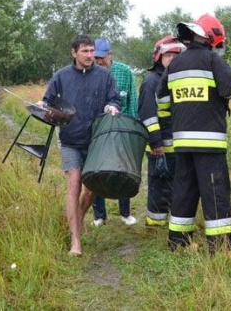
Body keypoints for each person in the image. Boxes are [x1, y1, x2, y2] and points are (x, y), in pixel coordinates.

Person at [157, 14, 231, 253]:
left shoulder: (175, 64)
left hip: (182, 142)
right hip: (210, 142)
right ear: (212, 38)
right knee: (215, 191)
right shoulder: (211, 60)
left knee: (184, 189)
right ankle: (222, 246)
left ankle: (179, 242)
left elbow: (162, 100)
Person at [40, 34, 121, 257]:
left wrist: (112, 107)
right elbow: (47, 101)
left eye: (91, 50)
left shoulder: (104, 76)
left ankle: (80, 217)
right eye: (84, 51)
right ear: (74, 52)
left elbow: (114, 99)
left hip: (96, 140)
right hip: (70, 140)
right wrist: (42, 105)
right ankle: (75, 242)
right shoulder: (61, 76)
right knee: (74, 184)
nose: (89, 55)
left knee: (93, 187)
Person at [91, 38, 139, 226]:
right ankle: (99, 215)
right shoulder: (90, 73)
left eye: (101, 57)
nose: (98, 61)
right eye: (95, 57)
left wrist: (133, 127)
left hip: (121, 129)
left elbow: (132, 101)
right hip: (98, 130)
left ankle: (125, 213)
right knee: (97, 170)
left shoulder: (125, 72)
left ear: (110, 54)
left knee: (123, 169)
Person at [139, 35, 186, 227]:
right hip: (160, 145)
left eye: (177, 55)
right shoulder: (151, 81)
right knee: (159, 186)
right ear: (159, 57)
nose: (173, 59)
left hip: (177, 145)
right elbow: (148, 115)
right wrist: (155, 143)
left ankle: (171, 221)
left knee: (176, 185)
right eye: (169, 56)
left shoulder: (175, 79)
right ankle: (156, 225)